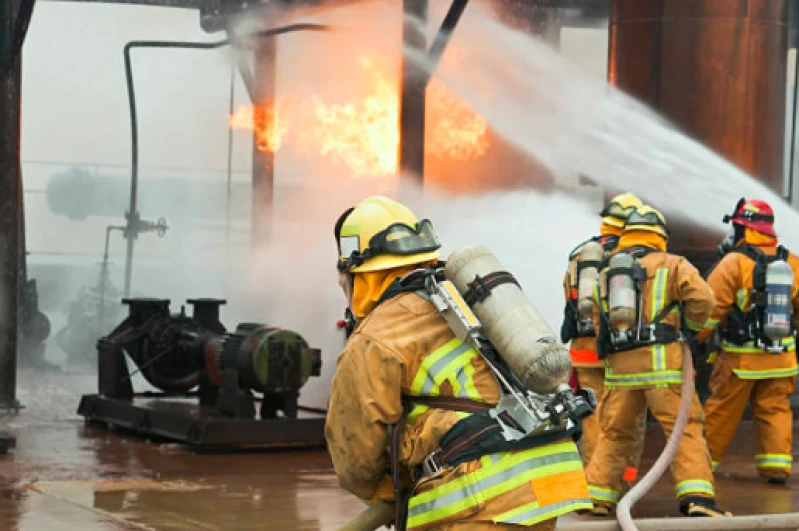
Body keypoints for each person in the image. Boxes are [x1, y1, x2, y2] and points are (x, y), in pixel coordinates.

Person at [325, 195, 593, 531]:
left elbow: (356, 455)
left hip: (481, 496)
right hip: (547, 480)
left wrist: (388, 494)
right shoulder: (466, 297)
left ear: (358, 274)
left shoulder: (375, 336)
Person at [584, 206, 730, 518]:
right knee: (684, 429)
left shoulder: (606, 273)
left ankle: (597, 497)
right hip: (664, 369)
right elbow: (704, 300)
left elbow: (599, 325)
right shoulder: (674, 264)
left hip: (620, 372)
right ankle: (698, 499)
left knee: (614, 433)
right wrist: (690, 328)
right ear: (660, 236)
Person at [698, 198, 799, 484]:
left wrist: (697, 337)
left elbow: (710, 308)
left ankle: (701, 465)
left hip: (740, 361)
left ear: (744, 230)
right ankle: (776, 468)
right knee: (775, 410)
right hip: (781, 359)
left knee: (721, 411)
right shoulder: (791, 262)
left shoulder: (733, 263)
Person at [561, 192, 645, 478]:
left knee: (593, 416)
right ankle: (625, 478)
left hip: (584, 352)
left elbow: (569, 295)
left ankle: (593, 477)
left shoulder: (581, 256)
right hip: (623, 351)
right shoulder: (634, 256)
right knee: (628, 417)